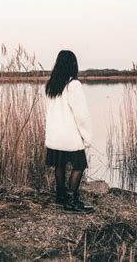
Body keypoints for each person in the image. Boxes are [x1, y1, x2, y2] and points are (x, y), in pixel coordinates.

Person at [44, 50, 94, 213]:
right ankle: (71, 200)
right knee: (79, 165)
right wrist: (87, 137)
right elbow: (82, 114)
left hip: (54, 136)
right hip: (69, 137)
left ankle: (60, 196)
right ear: (73, 65)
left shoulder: (51, 85)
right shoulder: (73, 85)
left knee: (59, 165)